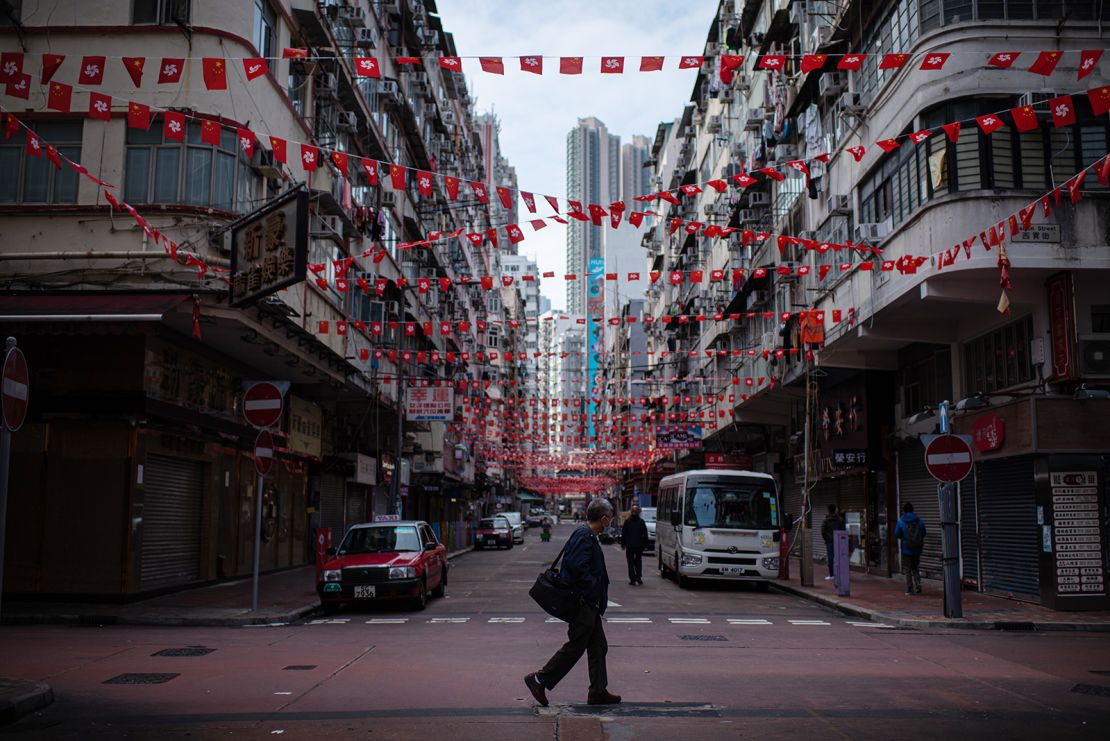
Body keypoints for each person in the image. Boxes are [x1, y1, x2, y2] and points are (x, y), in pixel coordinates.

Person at [524, 498, 620, 707]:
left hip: (590, 603)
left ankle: (598, 691)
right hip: (583, 603)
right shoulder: (584, 536)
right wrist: (594, 587)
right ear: (604, 519)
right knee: (576, 647)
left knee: (598, 646)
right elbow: (577, 570)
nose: (610, 523)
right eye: (610, 519)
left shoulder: (588, 535)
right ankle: (539, 679)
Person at [895, 501, 926, 595]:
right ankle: (918, 585)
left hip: (906, 549)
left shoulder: (901, 521)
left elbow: (897, 534)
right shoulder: (919, 520)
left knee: (907, 570)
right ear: (912, 510)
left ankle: (910, 589)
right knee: (915, 567)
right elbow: (924, 533)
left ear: (904, 511)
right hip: (917, 549)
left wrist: (905, 538)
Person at [620, 505, 649, 585]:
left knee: (630, 562)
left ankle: (633, 579)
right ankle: (638, 577)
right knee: (638, 561)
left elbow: (624, 534)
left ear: (631, 512)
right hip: (639, 545)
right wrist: (645, 545)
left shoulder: (627, 521)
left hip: (630, 546)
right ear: (638, 512)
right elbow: (645, 534)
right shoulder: (641, 522)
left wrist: (623, 544)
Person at [820, 504, 844, 581]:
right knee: (839, 557)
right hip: (839, 541)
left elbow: (823, 531)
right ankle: (840, 574)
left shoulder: (826, 520)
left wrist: (826, 538)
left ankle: (832, 575)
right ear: (835, 509)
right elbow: (842, 529)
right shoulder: (840, 519)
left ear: (828, 510)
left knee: (831, 558)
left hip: (830, 541)